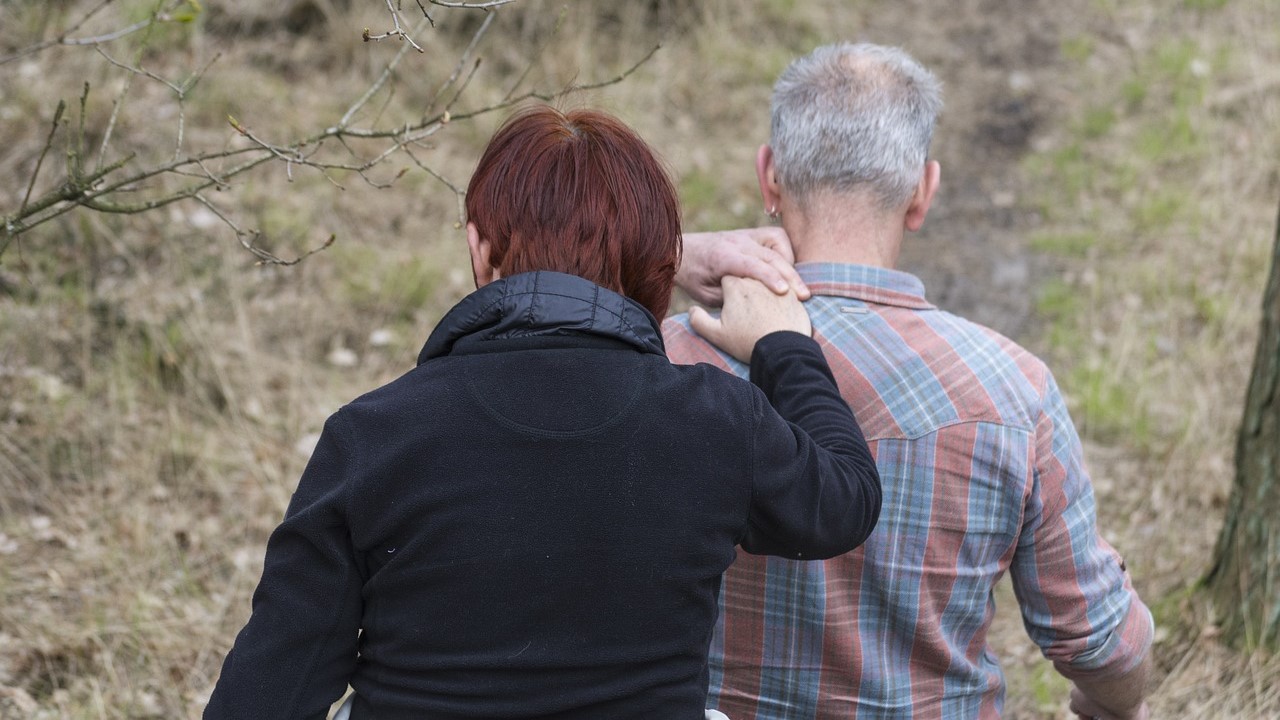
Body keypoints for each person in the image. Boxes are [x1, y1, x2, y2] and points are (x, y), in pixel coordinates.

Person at [204, 105, 882, 720]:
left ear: (477, 248)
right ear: (660, 267)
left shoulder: (375, 435)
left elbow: (268, 695)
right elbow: (846, 501)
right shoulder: (714, 420)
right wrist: (784, 347)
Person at [665, 43, 1154, 720]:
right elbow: (1102, 644)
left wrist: (670, 253)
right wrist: (1110, 706)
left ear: (769, 177)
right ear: (923, 192)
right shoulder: (1014, 390)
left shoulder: (665, 360)